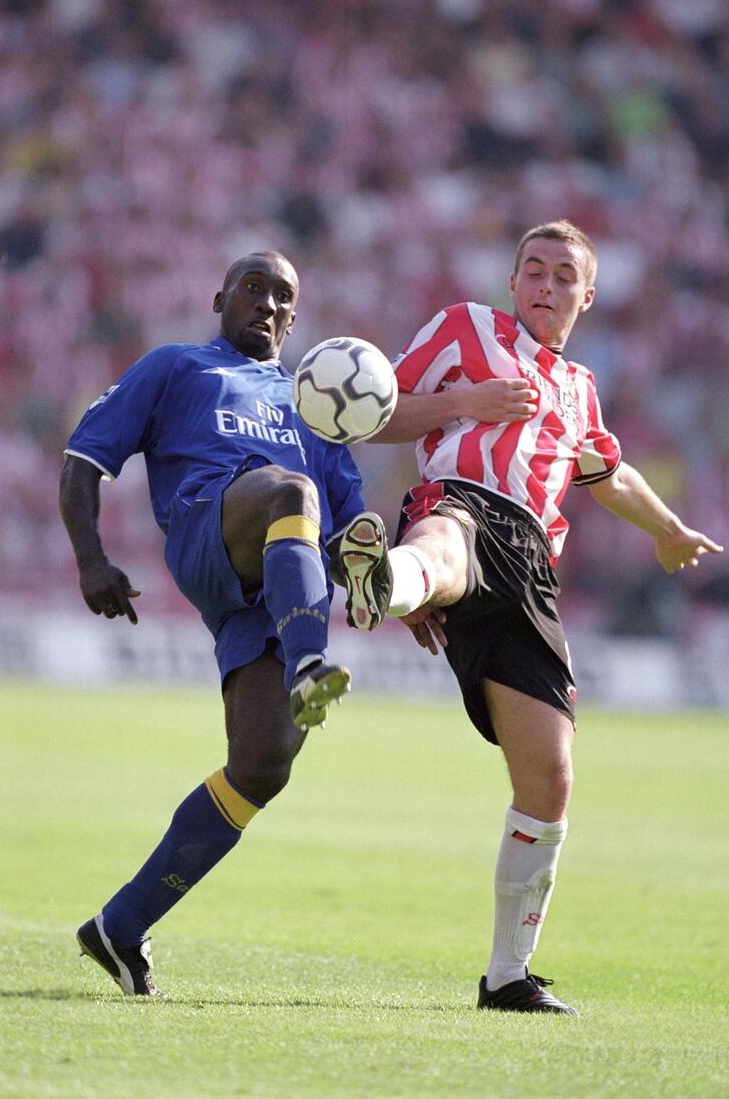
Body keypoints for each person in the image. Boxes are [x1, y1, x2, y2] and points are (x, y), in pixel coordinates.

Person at [337, 220, 723, 1015]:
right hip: (460, 504)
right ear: (512, 282)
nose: (545, 285)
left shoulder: (579, 389)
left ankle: (507, 976)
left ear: (587, 294)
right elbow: (378, 414)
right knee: (442, 545)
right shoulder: (463, 329)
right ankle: (389, 579)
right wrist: (464, 402)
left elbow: (607, 473)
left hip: (530, 568)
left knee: (549, 778)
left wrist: (668, 530)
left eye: (562, 275)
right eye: (532, 271)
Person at [60, 250, 377, 997]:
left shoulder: (318, 405)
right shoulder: (178, 367)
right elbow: (83, 459)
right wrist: (89, 558)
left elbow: (350, 532)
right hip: (212, 529)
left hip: (278, 587)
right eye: (252, 288)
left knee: (262, 765)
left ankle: (121, 925)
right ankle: (309, 662)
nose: (266, 303)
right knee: (287, 489)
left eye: (282, 296)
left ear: (296, 318)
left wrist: (397, 582)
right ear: (219, 298)